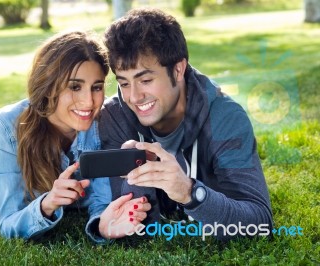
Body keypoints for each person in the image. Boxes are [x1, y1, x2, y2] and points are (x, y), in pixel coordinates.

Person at [98, 8, 273, 240]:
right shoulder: (115, 117)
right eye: (124, 83)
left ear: (178, 69)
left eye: (146, 80)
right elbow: (135, 229)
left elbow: (260, 224)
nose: (134, 97)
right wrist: (136, 185)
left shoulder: (226, 119)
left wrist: (189, 192)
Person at [0, 31, 150, 243]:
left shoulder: (107, 119)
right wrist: (47, 204)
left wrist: (103, 226)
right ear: (48, 86)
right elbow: (8, 225)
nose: (89, 102)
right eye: (75, 87)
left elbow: (101, 199)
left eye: (97, 87)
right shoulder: (5, 127)